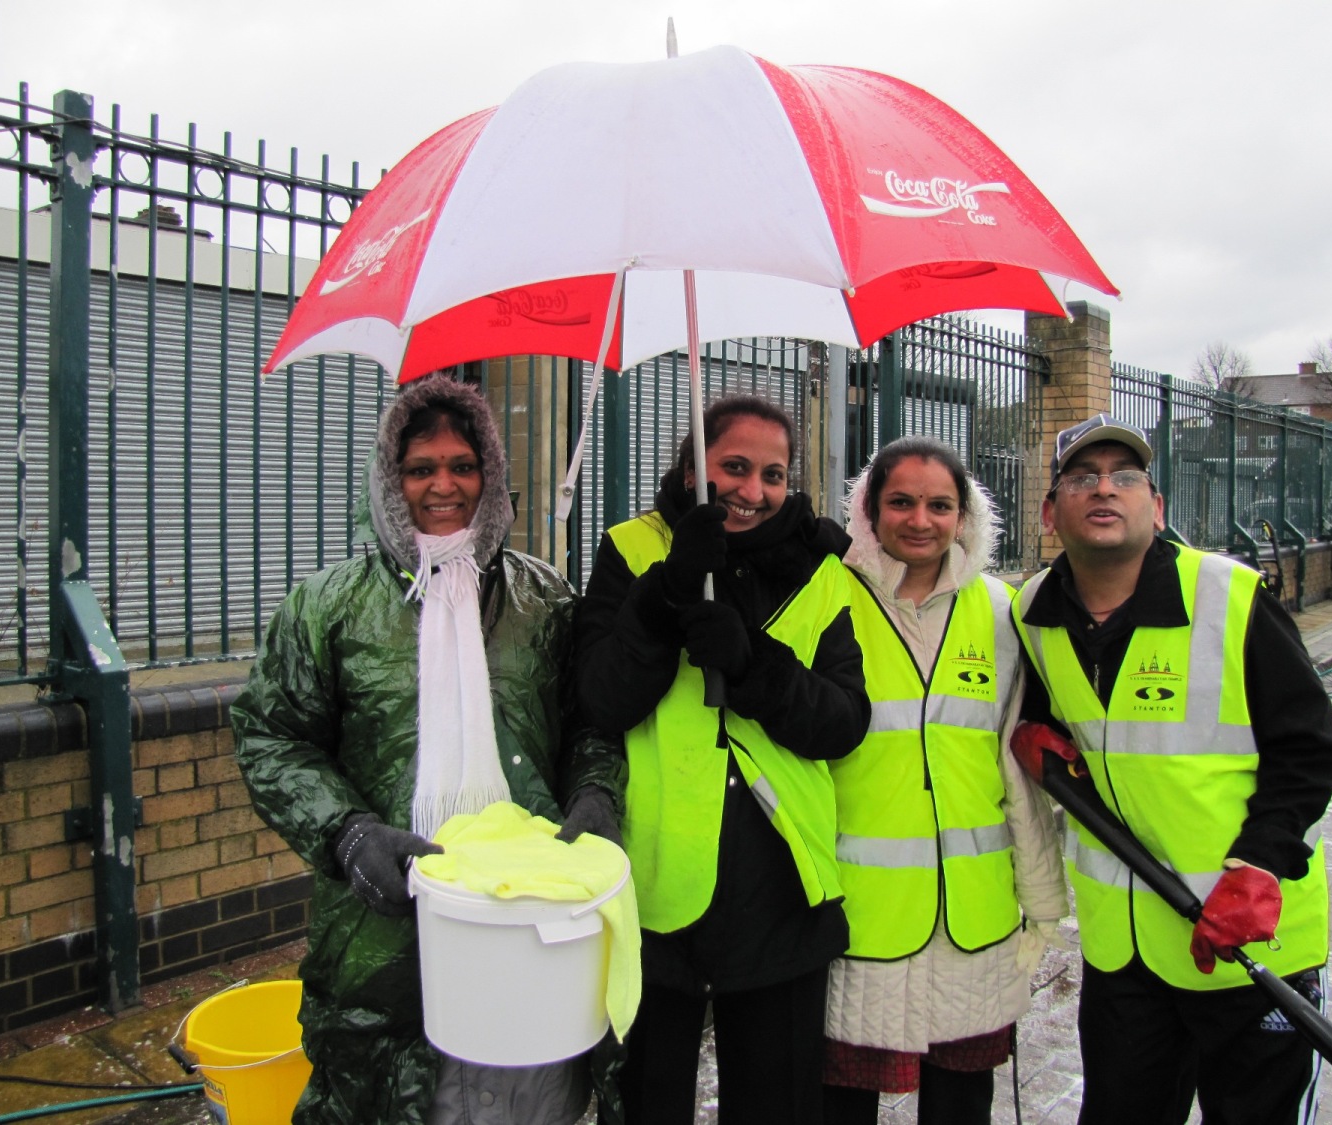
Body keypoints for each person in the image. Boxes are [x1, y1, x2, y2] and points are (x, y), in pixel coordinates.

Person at [231, 373, 624, 1125]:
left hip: (526, 928)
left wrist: (597, 789)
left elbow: (589, 723)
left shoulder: (543, 600)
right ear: (391, 480)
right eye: (420, 468)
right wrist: (346, 831)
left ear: (490, 475)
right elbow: (270, 733)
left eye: (463, 465)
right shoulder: (327, 606)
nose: (444, 485)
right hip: (378, 946)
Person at [1009, 413, 1332, 1124]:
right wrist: (1039, 732)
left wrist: (1260, 864)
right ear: (1050, 511)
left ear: (1156, 508)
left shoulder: (1231, 598)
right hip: (1126, 951)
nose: (1106, 490)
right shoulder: (1034, 612)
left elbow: (1312, 749)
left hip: (1247, 936)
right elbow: (1060, 711)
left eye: (1126, 477)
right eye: (1082, 478)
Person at [575, 394, 871, 1125]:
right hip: (657, 884)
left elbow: (843, 719)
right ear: (691, 466)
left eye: (774, 474)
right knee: (647, 1101)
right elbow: (596, 697)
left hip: (781, 887)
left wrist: (753, 665)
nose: (753, 489)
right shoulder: (632, 547)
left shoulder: (822, 570)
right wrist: (664, 597)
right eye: (733, 467)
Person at [821, 437, 1067, 1125]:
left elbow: (1013, 767)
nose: (920, 520)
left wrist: (1042, 896)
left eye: (940, 504)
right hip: (858, 918)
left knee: (962, 1105)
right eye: (900, 501)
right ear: (869, 509)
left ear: (965, 516)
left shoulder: (998, 610)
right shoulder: (827, 594)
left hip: (974, 917)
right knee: (841, 1100)